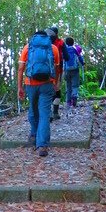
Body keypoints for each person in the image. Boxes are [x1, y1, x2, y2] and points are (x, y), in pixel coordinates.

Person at [17, 28, 60, 157]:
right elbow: (57, 69)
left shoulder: (28, 47)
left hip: (30, 84)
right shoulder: (53, 48)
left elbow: (20, 69)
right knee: (45, 114)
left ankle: (34, 135)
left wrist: (19, 87)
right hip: (47, 84)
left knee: (33, 110)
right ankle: (42, 145)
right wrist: (55, 83)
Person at [46, 25, 66, 121]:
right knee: (57, 90)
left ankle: (48, 112)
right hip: (58, 70)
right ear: (57, 33)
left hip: (45, 71)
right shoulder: (61, 42)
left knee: (46, 91)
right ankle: (55, 112)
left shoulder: (44, 42)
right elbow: (67, 57)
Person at [63, 36, 84, 107]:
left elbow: (62, 59)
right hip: (75, 70)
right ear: (73, 43)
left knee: (68, 86)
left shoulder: (64, 50)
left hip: (67, 70)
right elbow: (80, 57)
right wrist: (82, 63)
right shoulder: (75, 49)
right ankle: (74, 96)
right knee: (75, 85)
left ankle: (68, 102)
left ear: (66, 43)